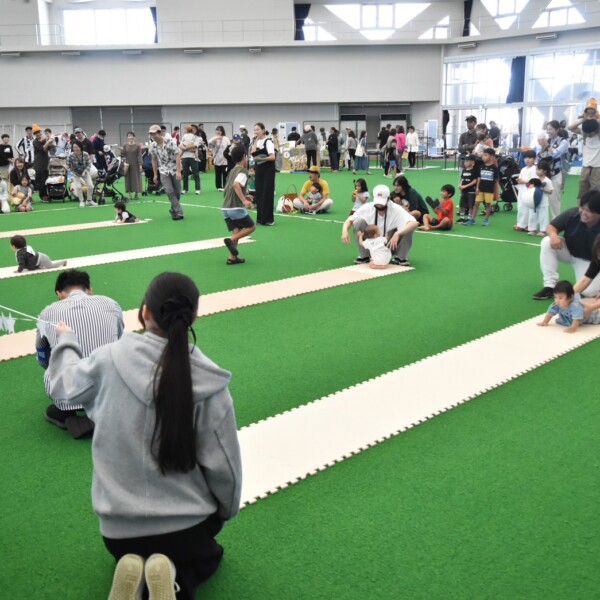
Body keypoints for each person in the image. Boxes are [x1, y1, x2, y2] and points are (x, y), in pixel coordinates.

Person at [46, 272, 242, 599]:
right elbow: (225, 468)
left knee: (135, 554)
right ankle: (175, 580)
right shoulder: (209, 381)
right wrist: (224, 511)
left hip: (117, 533)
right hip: (187, 530)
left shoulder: (106, 360)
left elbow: (63, 387)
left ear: (145, 311)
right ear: (193, 316)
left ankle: (134, 570)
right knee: (209, 557)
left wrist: (66, 340)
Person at [37, 269, 124, 438]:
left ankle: (67, 412)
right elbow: (120, 340)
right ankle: (102, 412)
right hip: (109, 387)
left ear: (59, 293)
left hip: (70, 391)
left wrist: (54, 366)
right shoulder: (112, 304)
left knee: (52, 368)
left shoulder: (46, 313)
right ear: (89, 290)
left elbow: (42, 355)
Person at [532, 190, 600, 300]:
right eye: (582, 208)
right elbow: (551, 227)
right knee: (547, 242)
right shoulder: (572, 214)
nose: (583, 213)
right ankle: (550, 286)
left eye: (589, 211)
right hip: (569, 252)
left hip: (592, 262)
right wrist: (553, 235)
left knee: (588, 292)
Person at [341, 184, 418, 267]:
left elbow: (414, 223)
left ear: (388, 199)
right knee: (358, 222)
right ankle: (365, 256)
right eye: (377, 202)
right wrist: (344, 231)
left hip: (391, 243)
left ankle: (400, 257)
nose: (379, 205)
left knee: (408, 226)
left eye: (382, 202)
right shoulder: (367, 207)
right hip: (372, 245)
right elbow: (350, 219)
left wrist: (397, 233)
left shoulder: (396, 209)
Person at [222, 146, 256, 265]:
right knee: (252, 227)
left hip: (225, 208)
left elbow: (229, 188)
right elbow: (236, 185)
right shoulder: (243, 171)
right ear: (244, 157)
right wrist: (244, 200)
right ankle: (230, 240)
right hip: (235, 207)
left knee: (237, 232)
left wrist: (245, 195)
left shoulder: (231, 171)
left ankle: (232, 258)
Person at [148, 124, 184, 220]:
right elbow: (154, 159)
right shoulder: (153, 145)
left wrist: (178, 171)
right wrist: (155, 174)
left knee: (177, 192)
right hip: (163, 170)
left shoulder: (170, 142)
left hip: (174, 168)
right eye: (151, 134)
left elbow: (177, 155)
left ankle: (173, 209)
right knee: (169, 191)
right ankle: (179, 212)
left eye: (154, 133)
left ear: (159, 133)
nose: (152, 136)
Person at [537, 120, 568, 218]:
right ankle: (543, 223)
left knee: (554, 201)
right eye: (547, 129)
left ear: (557, 129)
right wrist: (542, 146)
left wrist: (546, 144)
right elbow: (540, 157)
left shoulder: (563, 141)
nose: (548, 131)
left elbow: (556, 154)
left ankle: (556, 223)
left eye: (550, 129)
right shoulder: (548, 141)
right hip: (545, 174)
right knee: (541, 199)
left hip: (556, 174)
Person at [568, 113, 600, 201]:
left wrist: (594, 119)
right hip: (585, 168)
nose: (588, 135)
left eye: (590, 133)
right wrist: (584, 119)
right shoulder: (584, 133)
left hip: (597, 169)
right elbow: (570, 127)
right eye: (587, 133)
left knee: (596, 195)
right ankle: (580, 209)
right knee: (582, 194)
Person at [250, 122, 276, 226]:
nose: (256, 131)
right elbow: (252, 153)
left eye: (258, 129)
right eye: (254, 130)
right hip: (259, 169)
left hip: (268, 169)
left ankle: (269, 219)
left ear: (263, 130)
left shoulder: (268, 141)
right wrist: (255, 140)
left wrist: (261, 159)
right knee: (259, 193)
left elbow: (272, 157)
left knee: (267, 193)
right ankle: (260, 219)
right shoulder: (255, 141)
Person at [464, 148, 498, 226]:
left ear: (491, 156)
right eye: (483, 155)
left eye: (485, 155)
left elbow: (496, 180)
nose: (483, 157)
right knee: (476, 204)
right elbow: (479, 178)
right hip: (480, 189)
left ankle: (486, 219)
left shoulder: (494, 168)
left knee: (488, 205)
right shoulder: (481, 166)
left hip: (489, 190)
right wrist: (477, 187)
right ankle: (472, 219)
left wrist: (496, 192)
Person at [525, 159, 553, 237]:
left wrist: (543, 189)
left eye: (539, 169)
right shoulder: (535, 180)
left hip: (543, 202)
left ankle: (543, 230)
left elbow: (550, 191)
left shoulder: (547, 180)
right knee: (532, 215)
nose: (537, 171)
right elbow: (528, 186)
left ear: (544, 171)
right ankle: (532, 229)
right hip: (533, 201)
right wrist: (530, 187)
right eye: (536, 169)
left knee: (543, 216)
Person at [68, 141, 97, 208]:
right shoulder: (70, 155)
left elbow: (89, 164)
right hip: (75, 173)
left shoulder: (85, 154)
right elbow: (68, 165)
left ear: (80, 147)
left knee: (91, 186)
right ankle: (81, 201)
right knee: (78, 187)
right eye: (74, 147)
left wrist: (85, 171)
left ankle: (89, 200)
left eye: (76, 147)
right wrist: (73, 172)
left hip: (85, 172)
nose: (75, 149)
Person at [514, 150, 538, 231]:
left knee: (530, 209)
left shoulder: (535, 169)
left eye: (530, 158)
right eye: (526, 158)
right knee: (521, 207)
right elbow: (521, 178)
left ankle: (529, 226)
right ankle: (521, 224)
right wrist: (519, 180)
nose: (527, 160)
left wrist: (524, 181)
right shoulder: (523, 169)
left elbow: (535, 181)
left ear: (534, 159)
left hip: (530, 192)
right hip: (522, 190)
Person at [32, 124, 53, 202]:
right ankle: (42, 196)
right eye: (36, 133)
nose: (38, 134)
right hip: (39, 164)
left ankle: (46, 195)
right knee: (41, 181)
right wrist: (47, 142)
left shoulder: (44, 140)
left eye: (39, 132)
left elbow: (49, 148)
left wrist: (49, 140)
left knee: (45, 180)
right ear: (34, 135)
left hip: (45, 163)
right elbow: (43, 149)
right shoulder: (35, 142)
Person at [120, 131, 143, 200]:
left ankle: (136, 193)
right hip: (127, 164)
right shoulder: (125, 145)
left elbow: (139, 156)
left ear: (134, 137)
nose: (130, 137)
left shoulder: (137, 146)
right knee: (128, 179)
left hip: (135, 164)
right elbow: (122, 155)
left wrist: (140, 165)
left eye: (131, 136)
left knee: (136, 178)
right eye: (129, 136)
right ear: (127, 137)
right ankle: (129, 194)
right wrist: (121, 151)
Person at [179, 125, 201, 195]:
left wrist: (185, 148)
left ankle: (197, 189)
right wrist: (188, 149)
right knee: (185, 173)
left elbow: (195, 145)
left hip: (193, 157)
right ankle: (185, 189)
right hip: (184, 157)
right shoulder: (184, 136)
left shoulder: (196, 137)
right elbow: (180, 145)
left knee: (195, 173)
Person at [457, 154, 479, 222]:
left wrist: (466, 186)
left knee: (470, 205)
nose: (465, 162)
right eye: (465, 161)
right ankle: (462, 217)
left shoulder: (474, 170)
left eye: (467, 161)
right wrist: (460, 184)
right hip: (463, 191)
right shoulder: (464, 170)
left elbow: (475, 181)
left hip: (471, 191)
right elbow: (462, 178)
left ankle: (470, 218)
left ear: (472, 162)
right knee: (462, 204)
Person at [208, 126, 230, 192]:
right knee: (218, 173)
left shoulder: (226, 138)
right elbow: (209, 143)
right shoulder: (214, 138)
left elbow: (229, 146)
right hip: (217, 158)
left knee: (225, 173)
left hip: (225, 159)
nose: (218, 132)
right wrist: (216, 138)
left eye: (220, 130)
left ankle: (225, 186)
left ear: (222, 131)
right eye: (217, 130)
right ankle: (219, 186)